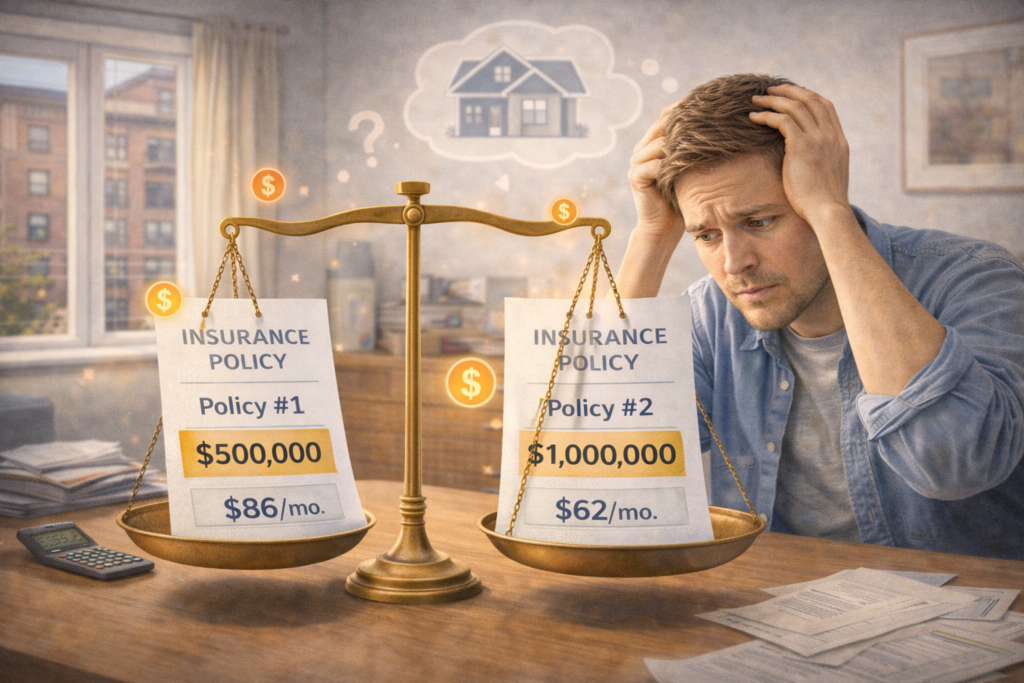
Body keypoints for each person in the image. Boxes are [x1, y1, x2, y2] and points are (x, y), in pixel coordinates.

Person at [616, 73, 1024, 559]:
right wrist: (651, 237)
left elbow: (955, 467)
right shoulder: (710, 314)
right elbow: (604, 462)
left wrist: (832, 211)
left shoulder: (976, 278)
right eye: (706, 235)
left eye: (759, 222)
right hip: (776, 606)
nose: (734, 263)